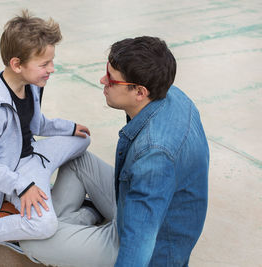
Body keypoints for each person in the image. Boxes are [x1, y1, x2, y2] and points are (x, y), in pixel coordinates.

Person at [19, 36, 209, 267]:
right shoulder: (168, 92)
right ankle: (81, 218)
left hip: (149, 243)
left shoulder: (154, 156)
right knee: (78, 160)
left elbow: (139, 242)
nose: (102, 80)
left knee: (30, 241)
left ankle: (65, 227)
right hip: (135, 205)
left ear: (139, 91)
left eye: (111, 79)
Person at [0, 10, 90, 267]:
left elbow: (37, 124)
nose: (52, 69)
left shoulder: (30, 84)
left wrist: (69, 128)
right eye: (45, 64)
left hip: (32, 154)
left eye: (51, 61)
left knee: (83, 141)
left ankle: (51, 199)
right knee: (45, 225)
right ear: (17, 64)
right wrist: (23, 187)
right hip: (14, 169)